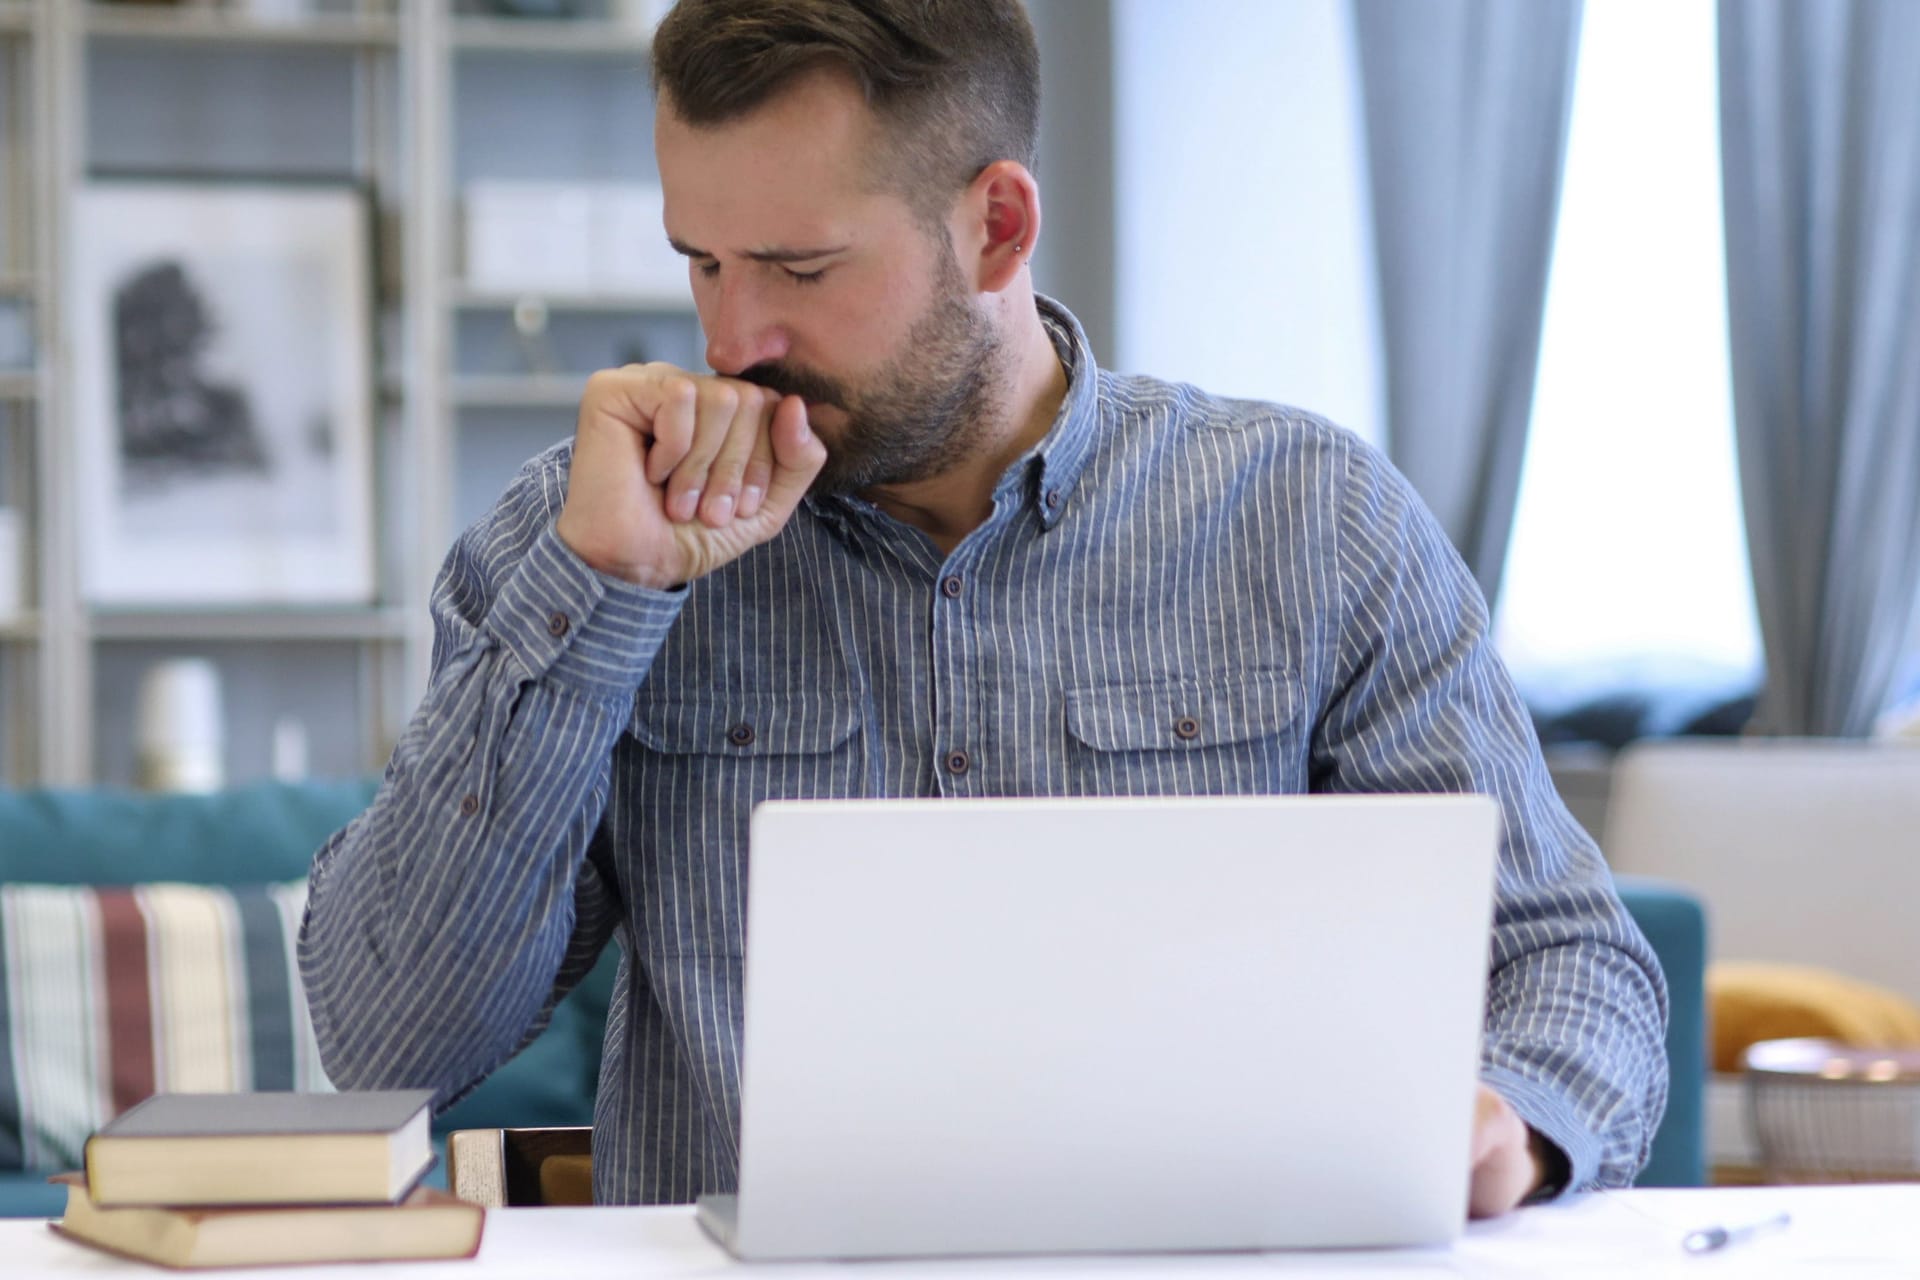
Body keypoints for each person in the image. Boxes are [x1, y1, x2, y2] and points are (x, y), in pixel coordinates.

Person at [299, 0, 1666, 1220]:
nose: (729, 340)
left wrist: (1508, 1123)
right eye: (704, 262)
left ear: (997, 227)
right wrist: (604, 594)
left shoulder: (1309, 522)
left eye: (798, 267)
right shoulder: (590, 532)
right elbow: (387, 1043)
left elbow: (1572, 966)